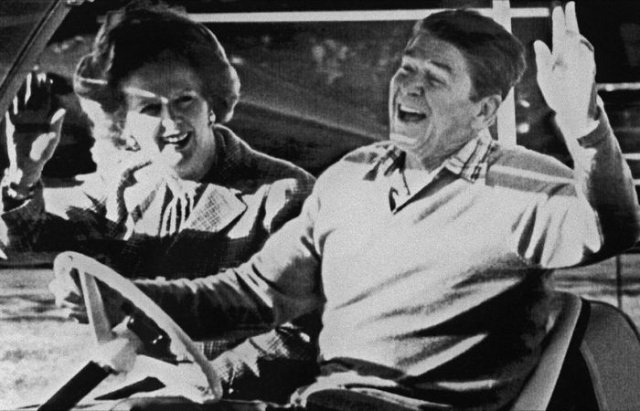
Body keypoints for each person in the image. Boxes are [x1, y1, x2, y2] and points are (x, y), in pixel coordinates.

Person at [54, 3, 640, 410]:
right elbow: (255, 294)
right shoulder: (351, 178)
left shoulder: (522, 186)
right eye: (406, 69)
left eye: (435, 78)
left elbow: (610, 228)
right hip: (325, 401)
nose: (408, 88)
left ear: (484, 111)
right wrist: (127, 298)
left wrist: (585, 125)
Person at [2, 3, 320, 402]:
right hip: (144, 385)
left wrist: (202, 387)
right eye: (150, 108)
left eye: (185, 100)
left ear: (212, 105)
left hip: (239, 395)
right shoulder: (125, 183)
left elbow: (303, 336)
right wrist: (24, 176)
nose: (171, 123)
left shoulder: (285, 194)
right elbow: (27, 241)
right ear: (124, 123)